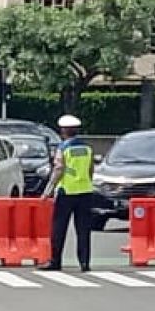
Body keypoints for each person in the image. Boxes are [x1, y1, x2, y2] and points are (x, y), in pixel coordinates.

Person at [41, 114, 95, 272]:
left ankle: (55, 261)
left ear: (63, 131)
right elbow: (91, 170)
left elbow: (58, 170)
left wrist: (47, 192)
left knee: (59, 229)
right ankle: (84, 263)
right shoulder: (87, 148)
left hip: (67, 192)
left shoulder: (63, 148)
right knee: (84, 230)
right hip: (85, 192)